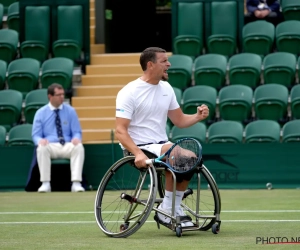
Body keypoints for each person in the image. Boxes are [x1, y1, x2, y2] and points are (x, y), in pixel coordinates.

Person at [115, 47, 209, 228]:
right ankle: (169, 209)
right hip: (137, 147)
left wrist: (197, 117)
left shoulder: (166, 88)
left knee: (191, 158)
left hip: (161, 146)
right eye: (164, 61)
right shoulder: (129, 92)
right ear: (150, 65)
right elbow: (120, 131)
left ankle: (169, 207)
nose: (169, 64)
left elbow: (179, 120)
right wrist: (137, 153)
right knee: (178, 154)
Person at [32, 83, 85, 193]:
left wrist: (76, 138)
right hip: (50, 145)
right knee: (41, 148)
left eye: (63, 94)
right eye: (58, 95)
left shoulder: (70, 111)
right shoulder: (40, 113)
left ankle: (76, 183)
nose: (62, 97)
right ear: (50, 96)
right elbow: (35, 135)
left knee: (79, 147)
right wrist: (40, 141)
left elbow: (77, 131)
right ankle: (45, 183)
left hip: (67, 144)